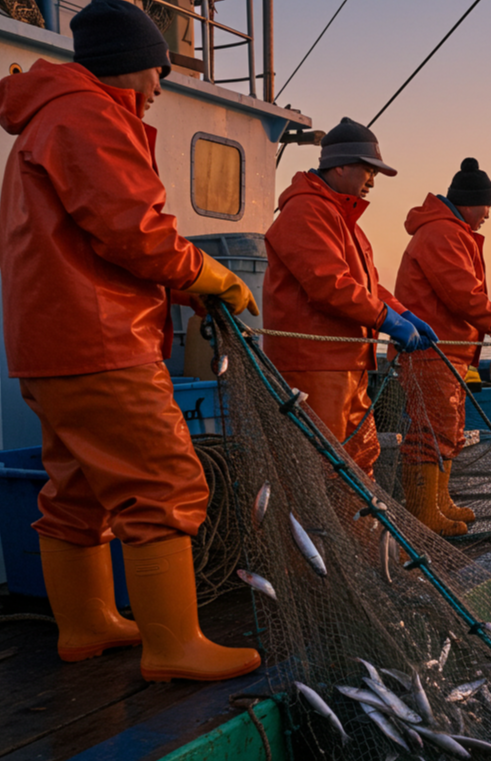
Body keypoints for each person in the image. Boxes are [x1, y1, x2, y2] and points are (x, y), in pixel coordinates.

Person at [0, 0, 260, 681]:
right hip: (103, 341)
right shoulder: (89, 114)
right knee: (163, 481)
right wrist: (210, 274)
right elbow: (134, 232)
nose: (156, 87)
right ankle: (174, 646)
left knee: (78, 485)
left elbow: (91, 240)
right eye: (156, 71)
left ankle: (84, 625)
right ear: (132, 65)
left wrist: (186, 285)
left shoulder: (46, 119)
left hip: (52, 346)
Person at [264, 118, 438, 476]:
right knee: (318, 467)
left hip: (348, 364)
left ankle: (355, 533)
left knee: (359, 461)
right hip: (316, 366)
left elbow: (367, 286)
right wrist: (388, 321)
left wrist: (403, 314)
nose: (372, 181)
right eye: (368, 171)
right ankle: (318, 533)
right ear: (340, 167)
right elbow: (329, 286)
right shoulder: (306, 210)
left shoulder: (341, 218)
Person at [394, 158, 491, 536]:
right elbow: (463, 296)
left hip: (450, 352)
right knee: (429, 432)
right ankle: (423, 514)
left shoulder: (452, 231)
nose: (488, 213)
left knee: (447, 430)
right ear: (470, 202)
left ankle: (439, 503)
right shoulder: (442, 233)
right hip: (430, 352)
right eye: (487, 205)